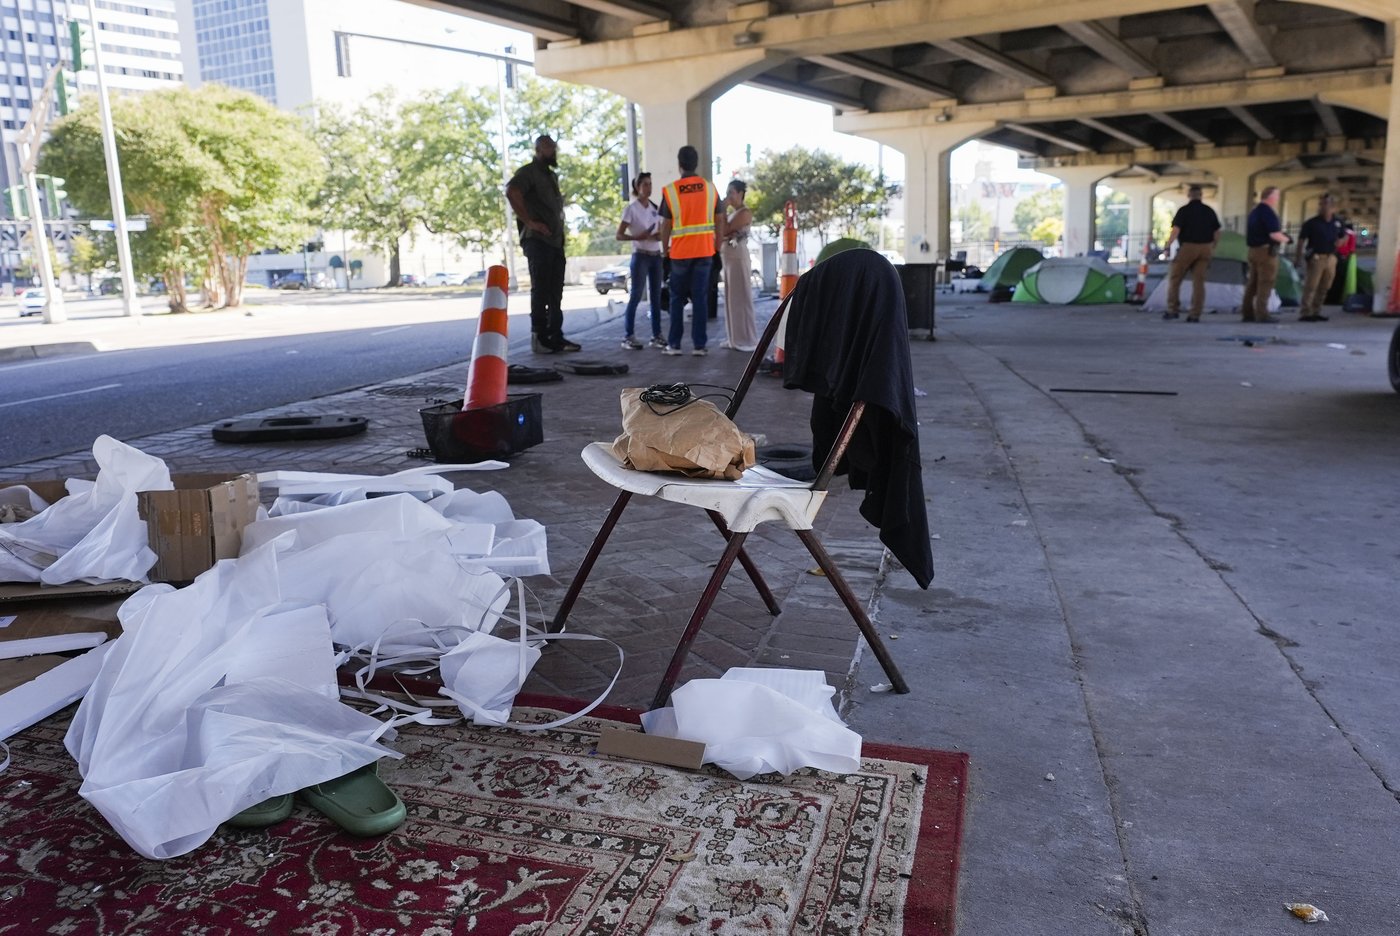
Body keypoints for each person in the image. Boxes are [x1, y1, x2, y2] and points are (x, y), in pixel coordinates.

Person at [506, 134, 579, 354]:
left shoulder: (551, 175)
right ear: (538, 150)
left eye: (554, 147)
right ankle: (539, 336)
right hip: (537, 241)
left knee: (556, 290)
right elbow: (512, 191)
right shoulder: (528, 173)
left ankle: (556, 336)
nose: (553, 151)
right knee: (541, 289)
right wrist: (530, 222)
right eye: (549, 148)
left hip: (555, 242)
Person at [658, 144, 724, 356]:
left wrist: (665, 251)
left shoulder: (671, 191)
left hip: (679, 254)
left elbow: (665, 225)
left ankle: (674, 345)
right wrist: (717, 247)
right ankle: (699, 346)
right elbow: (720, 220)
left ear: (679, 165)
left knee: (677, 299)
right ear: (696, 164)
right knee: (700, 298)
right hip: (705, 251)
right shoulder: (710, 189)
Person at [615, 172, 665, 350]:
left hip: (655, 254)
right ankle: (628, 335)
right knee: (636, 294)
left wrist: (660, 236)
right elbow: (619, 235)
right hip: (641, 254)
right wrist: (636, 237)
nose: (648, 188)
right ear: (637, 187)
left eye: (650, 184)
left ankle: (657, 335)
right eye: (645, 184)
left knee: (656, 297)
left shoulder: (655, 207)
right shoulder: (631, 209)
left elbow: (661, 230)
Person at [1161, 184, 1221, 322]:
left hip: (1188, 247)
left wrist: (1167, 245)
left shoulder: (1184, 211)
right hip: (1206, 248)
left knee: (1175, 278)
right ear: (1201, 195)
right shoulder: (1209, 211)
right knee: (1199, 282)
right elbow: (1217, 232)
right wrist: (1212, 247)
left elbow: (1176, 230)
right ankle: (1195, 314)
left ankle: (1172, 309)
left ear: (1189, 195)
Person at [1240, 186, 1290, 324]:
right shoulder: (1268, 213)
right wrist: (1287, 239)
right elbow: (1274, 234)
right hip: (1265, 252)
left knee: (1252, 283)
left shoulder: (1254, 212)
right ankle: (1262, 314)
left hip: (1253, 251)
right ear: (1270, 197)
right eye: (1277, 195)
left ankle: (1247, 312)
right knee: (1266, 282)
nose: (1278, 198)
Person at [719, 179, 759, 351]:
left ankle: (746, 338)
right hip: (729, 257)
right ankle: (734, 338)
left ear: (740, 194)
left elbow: (725, 230)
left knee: (741, 298)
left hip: (738, 257)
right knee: (731, 298)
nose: (728, 197)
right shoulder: (732, 213)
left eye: (732, 193)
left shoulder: (744, 212)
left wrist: (722, 209)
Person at [1294, 195, 1346, 322]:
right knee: (1311, 285)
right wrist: (1298, 257)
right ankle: (1306, 312)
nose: (1322, 207)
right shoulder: (1311, 223)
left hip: (1331, 257)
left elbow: (1344, 235)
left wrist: (1341, 241)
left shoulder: (1337, 222)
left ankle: (1316, 310)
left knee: (1325, 286)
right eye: (1321, 204)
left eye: (1326, 205)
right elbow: (1301, 240)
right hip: (1317, 257)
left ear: (1333, 208)